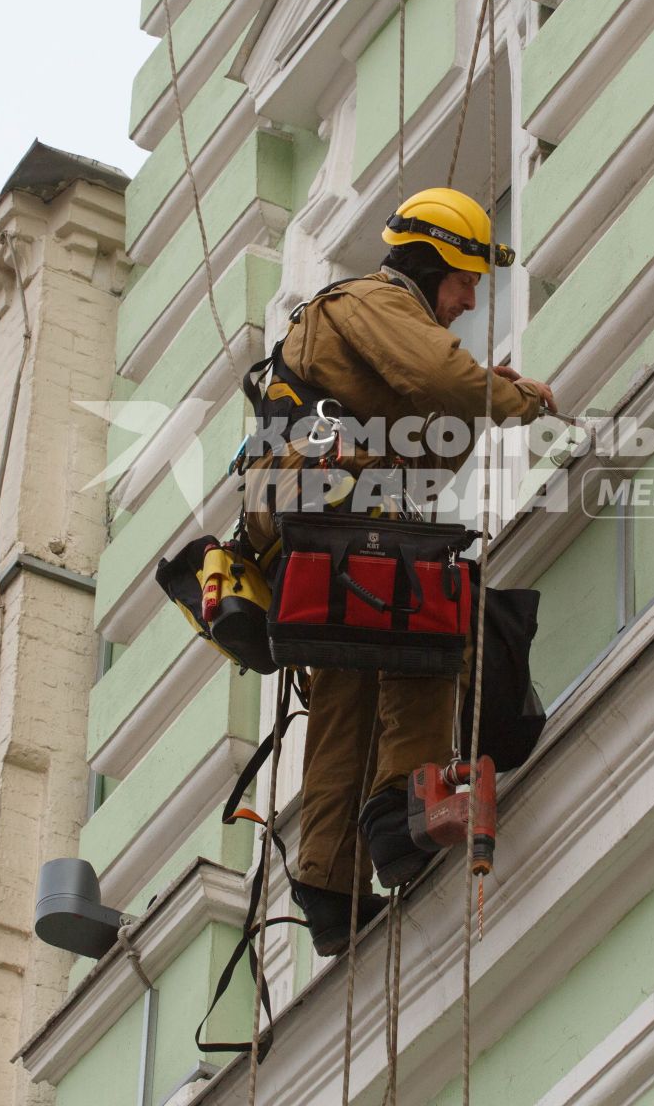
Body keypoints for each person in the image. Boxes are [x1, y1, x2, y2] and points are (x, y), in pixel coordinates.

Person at [241, 187, 555, 954]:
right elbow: (447, 383)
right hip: (338, 507)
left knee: (348, 684)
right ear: (435, 261)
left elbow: (427, 427)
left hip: (318, 514)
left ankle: (328, 884)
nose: (470, 299)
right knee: (425, 616)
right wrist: (517, 396)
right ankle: (397, 811)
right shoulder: (376, 303)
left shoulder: (362, 330)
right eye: (466, 279)